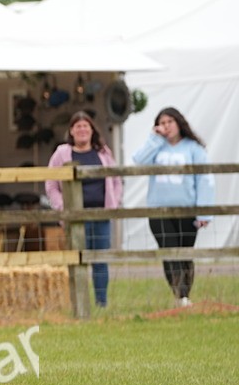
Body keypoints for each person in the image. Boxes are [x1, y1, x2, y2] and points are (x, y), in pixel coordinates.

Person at [133, 107, 214, 307]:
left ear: (179, 123)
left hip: (186, 211)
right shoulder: (155, 147)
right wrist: (154, 139)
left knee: (185, 253)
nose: (166, 126)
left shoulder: (194, 149)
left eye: (170, 122)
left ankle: (184, 294)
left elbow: (204, 180)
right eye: (162, 123)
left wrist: (204, 212)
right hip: (158, 210)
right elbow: (139, 162)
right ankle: (180, 295)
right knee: (168, 251)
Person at [45, 111, 122, 308]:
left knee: (100, 260)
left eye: (85, 126)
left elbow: (115, 180)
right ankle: (78, 303)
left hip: (100, 216)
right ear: (71, 131)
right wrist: (62, 207)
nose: (82, 130)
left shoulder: (103, 153)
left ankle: (101, 303)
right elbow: (51, 184)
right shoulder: (62, 153)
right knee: (76, 260)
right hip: (75, 217)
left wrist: (114, 203)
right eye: (77, 126)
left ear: (92, 130)